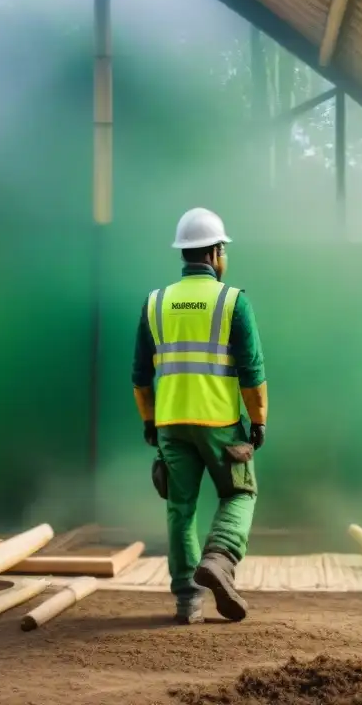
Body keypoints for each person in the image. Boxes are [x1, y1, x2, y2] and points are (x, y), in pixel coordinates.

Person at [131, 207, 268, 625]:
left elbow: (140, 375)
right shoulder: (233, 301)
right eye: (223, 250)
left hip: (171, 424)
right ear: (215, 252)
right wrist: (258, 421)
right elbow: (252, 372)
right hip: (220, 425)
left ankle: (187, 601)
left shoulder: (155, 303)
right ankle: (220, 559)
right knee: (240, 494)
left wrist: (150, 422)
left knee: (180, 507)